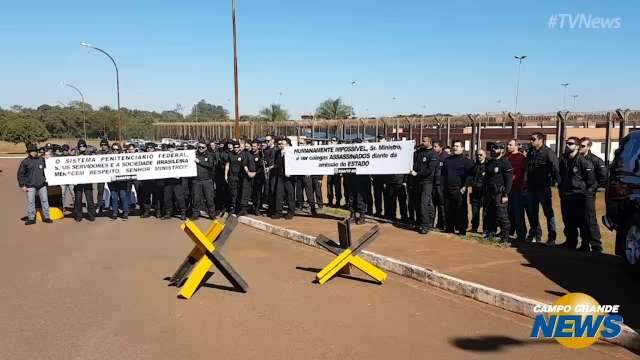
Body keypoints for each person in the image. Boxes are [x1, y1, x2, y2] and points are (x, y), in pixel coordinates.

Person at [558, 137, 600, 252]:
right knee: (568, 220)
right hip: (567, 195)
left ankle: (585, 244)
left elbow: (591, 180)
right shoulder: (563, 159)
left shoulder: (583, 161)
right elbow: (560, 175)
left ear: (576, 146)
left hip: (579, 195)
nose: (567, 145)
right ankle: (570, 242)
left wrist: (588, 192)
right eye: (566, 143)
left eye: (570, 144)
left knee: (582, 221)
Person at [526, 132, 559, 244]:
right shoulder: (530, 152)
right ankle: (535, 235)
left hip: (543, 188)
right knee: (532, 213)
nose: (531, 141)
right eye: (530, 139)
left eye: (533, 139)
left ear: (541, 140)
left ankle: (552, 237)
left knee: (548, 213)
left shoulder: (548, 152)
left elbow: (556, 168)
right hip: (531, 187)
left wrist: (554, 182)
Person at [577, 137, 605, 253]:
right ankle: (584, 244)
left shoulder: (596, 160)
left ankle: (596, 245)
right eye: (579, 145)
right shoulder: (576, 159)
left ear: (588, 147)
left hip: (588, 193)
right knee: (580, 218)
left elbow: (604, 176)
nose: (580, 148)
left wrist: (592, 189)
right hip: (577, 193)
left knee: (590, 218)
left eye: (583, 146)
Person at [483, 142, 513, 242]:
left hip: (500, 193)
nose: (493, 150)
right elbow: (486, 178)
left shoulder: (505, 162)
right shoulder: (489, 162)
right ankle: (491, 233)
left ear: (501, 150)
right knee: (489, 214)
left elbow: (509, 180)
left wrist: (506, 194)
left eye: (496, 148)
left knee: (501, 215)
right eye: (492, 148)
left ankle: (505, 236)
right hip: (489, 193)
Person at [442, 141, 474, 235]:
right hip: (447, 189)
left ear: (462, 148)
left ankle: (462, 229)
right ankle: (449, 228)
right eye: (454, 146)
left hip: (459, 189)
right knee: (448, 209)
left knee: (461, 210)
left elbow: (470, 176)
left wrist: (465, 186)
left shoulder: (467, 161)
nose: (455, 148)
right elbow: (443, 174)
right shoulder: (447, 160)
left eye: (457, 146)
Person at [409, 136, 439, 234]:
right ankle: (419, 222)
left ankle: (426, 225)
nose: (422, 142)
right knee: (417, 203)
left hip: (427, 182)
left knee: (424, 204)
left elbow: (430, 170)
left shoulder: (433, 154)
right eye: (421, 140)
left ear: (429, 142)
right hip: (417, 182)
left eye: (424, 141)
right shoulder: (419, 152)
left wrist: (417, 173)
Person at [17, 143, 52, 225]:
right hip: (30, 186)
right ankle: (31, 218)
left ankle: (46, 217)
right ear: (28, 152)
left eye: (35, 151)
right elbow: (20, 174)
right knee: (31, 202)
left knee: (44, 200)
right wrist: (22, 185)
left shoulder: (41, 159)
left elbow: (51, 167)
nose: (34, 152)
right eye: (31, 151)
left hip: (42, 184)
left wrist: (48, 159)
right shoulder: (25, 162)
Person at [506, 139, 528, 242]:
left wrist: (524, 186)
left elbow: (525, 173)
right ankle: (508, 232)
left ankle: (521, 234)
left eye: (510, 145)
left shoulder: (522, 158)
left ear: (517, 146)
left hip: (518, 189)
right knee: (507, 212)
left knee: (518, 213)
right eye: (507, 145)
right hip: (507, 189)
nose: (508, 146)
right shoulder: (506, 157)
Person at [191, 140, 216, 220]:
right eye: (199, 147)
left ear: (206, 148)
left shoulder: (210, 155)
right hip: (196, 180)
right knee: (196, 199)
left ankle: (212, 214)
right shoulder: (193, 154)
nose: (200, 148)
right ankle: (195, 214)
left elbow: (210, 165)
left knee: (209, 198)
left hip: (207, 180)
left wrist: (200, 161)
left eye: (202, 147)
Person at [161, 143, 187, 220]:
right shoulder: (163, 157)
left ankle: (183, 213)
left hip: (177, 182)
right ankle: (168, 213)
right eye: (169, 148)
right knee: (167, 198)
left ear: (175, 149)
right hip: (167, 181)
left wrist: (180, 174)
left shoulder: (180, 156)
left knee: (180, 198)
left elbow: (184, 167)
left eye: (172, 148)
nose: (171, 149)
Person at [272, 138, 295, 219]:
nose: (281, 145)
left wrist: (291, 173)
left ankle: (290, 212)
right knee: (279, 195)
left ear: (288, 145)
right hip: (280, 177)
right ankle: (278, 212)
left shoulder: (292, 152)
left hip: (289, 178)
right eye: (281, 144)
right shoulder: (278, 152)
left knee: (290, 195)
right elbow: (276, 164)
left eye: (283, 144)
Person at [73, 139, 96, 222]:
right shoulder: (74, 155)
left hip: (87, 180)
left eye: (83, 146)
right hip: (77, 181)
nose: (82, 147)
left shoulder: (90, 155)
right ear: (78, 147)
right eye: (80, 146)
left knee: (89, 198)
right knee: (78, 199)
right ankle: (78, 215)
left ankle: (91, 214)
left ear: (86, 147)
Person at [139, 142, 163, 218]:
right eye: (148, 148)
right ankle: (147, 211)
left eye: (151, 148)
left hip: (156, 181)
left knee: (157, 197)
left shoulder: (159, 156)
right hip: (146, 180)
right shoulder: (142, 156)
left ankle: (157, 211)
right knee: (146, 197)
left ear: (154, 149)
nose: (149, 149)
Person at [108, 142, 129, 220]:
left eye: (117, 149)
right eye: (114, 149)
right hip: (112, 181)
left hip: (122, 180)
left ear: (119, 149)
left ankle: (125, 213)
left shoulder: (124, 157)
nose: (115, 151)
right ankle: (114, 213)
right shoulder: (107, 158)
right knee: (114, 197)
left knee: (123, 196)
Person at [470, 149, 487, 234]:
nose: (478, 156)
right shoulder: (474, 165)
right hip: (475, 191)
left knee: (485, 212)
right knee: (474, 211)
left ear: (484, 155)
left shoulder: (488, 165)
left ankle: (485, 229)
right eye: (477, 155)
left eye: (480, 155)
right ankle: (474, 227)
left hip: (485, 192)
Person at [225, 141, 244, 215]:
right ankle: (232, 208)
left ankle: (239, 208)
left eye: (237, 147)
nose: (236, 149)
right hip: (232, 177)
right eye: (235, 147)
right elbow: (227, 165)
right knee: (233, 193)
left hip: (240, 177)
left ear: (239, 147)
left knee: (240, 193)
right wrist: (226, 175)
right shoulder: (230, 155)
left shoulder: (243, 155)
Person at [432, 141, 448, 230]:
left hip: (441, 185)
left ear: (441, 147)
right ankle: (431, 223)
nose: (434, 148)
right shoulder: (433, 156)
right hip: (433, 184)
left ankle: (441, 224)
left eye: (436, 146)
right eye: (433, 146)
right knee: (432, 204)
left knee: (441, 205)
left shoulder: (446, 158)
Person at [326, 137, 343, 207]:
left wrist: (341, 171)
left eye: (334, 141)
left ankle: (338, 201)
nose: (333, 142)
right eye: (332, 140)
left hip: (337, 171)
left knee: (337, 187)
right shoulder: (328, 150)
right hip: (330, 171)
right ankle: (330, 201)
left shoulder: (340, 150)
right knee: (329, 186)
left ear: (337, 142)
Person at [95, 138, 110, 215]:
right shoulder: (98, 153)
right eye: (102, 145)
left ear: (107, 145)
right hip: (101, 175)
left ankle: (112, 206)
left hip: (110, 174)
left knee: (112, 191)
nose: (103, 146)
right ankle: (100, 206)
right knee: (100, 191)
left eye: (105, 144)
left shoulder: (111, 153)